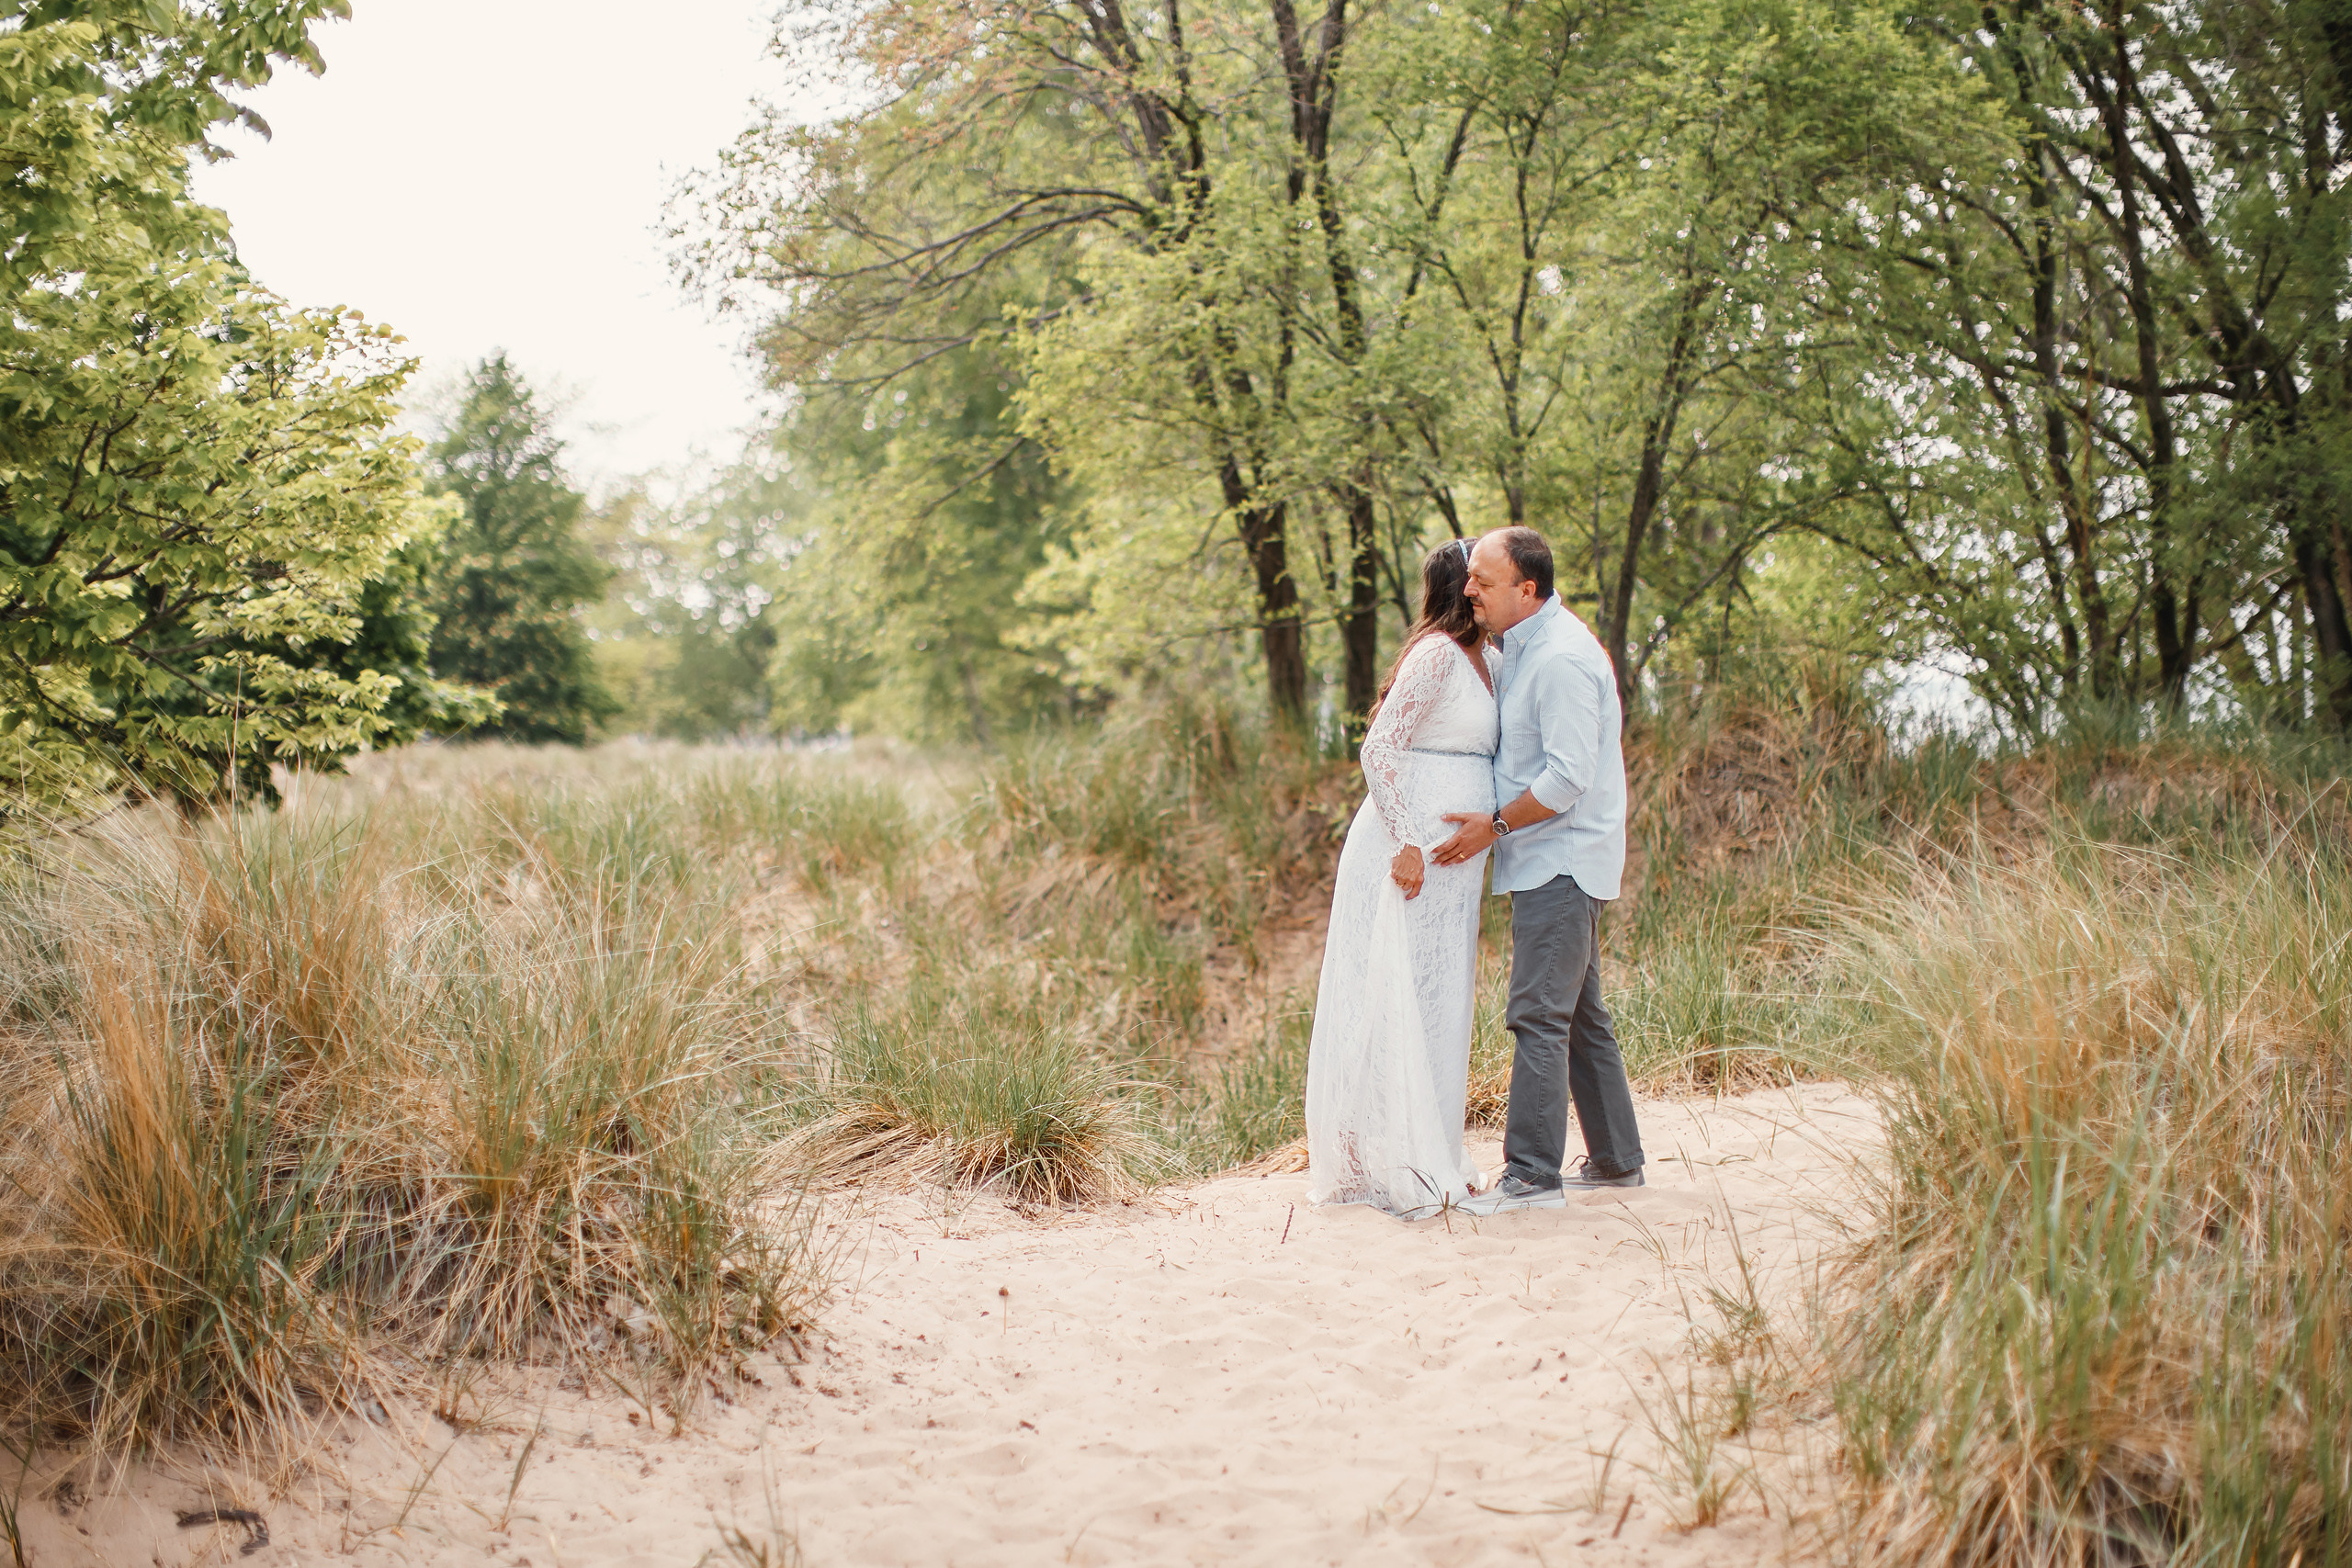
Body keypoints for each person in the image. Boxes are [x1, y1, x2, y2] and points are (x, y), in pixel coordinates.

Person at [1430, 525, 1644, 1213]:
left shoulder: (1559, 660)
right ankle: (1615, 1161)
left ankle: (1530, 1176)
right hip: (1546, 859)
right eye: (1470, 578)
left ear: (1529, 589)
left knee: (1537, 1013)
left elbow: (1567, 780)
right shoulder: (1523, 645)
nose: (1470, 590)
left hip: (1563, 858)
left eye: (1484, 582)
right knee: (1580, 1015)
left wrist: (1490, 828)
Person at [1304, 539, 1499, 1219]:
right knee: (1395, 989)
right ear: (1461, 587)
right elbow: (1379, 744)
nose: (1487, 588)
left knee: (1441, 993)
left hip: (1459, 864)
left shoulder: (1491, 660)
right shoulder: (1438, 653)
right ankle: (1383, 1160)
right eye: (1479, 578)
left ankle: (1435, 1150)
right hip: (1406, 850)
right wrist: (1410, 841)